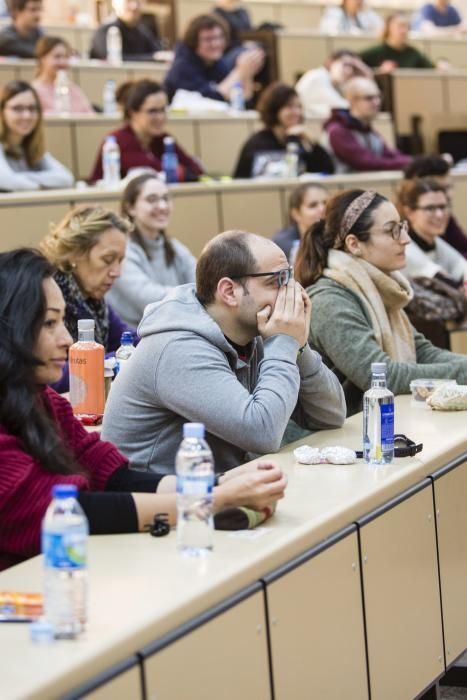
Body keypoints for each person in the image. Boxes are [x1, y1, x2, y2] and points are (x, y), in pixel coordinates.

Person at [0, 248, 287, 570]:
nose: (66, 338)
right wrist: (212, 500)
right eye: (49, 323)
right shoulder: (177, 347)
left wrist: (217, 485)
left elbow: (112, 477)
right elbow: (70, 513)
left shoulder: (41, 400)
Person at [102, 230, 346, 473]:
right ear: (229, 292)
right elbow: (262, 432)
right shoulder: (178, 348)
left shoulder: (256, 333)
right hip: (164, 504)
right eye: (276, 281)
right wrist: (284, 341)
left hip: (220, 493)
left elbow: (330, 415)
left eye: (289, 279)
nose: (291, 293)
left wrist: (300, 348)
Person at [294, 189, 467, 416]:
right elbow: (383, 377)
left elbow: (422, 352)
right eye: (392, 231)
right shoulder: (330, 300)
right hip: (325, 442)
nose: (405, 240)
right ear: (354, 244)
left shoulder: (381, 288)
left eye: (402, 227)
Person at [39, 206, 135, 392]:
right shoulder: (47, 296)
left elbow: (129, 341)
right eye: (108, 260)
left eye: (120, 261)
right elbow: (51, 377)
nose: (117, 272)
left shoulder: (93, 301)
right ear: (76, 253)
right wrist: (121, 359)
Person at [107, 173, 196, 326]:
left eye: (165, 198)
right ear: (130, 208)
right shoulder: (123, 250)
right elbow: (148, 299)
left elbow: (202, 279)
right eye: (152, 200)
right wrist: (196, 294)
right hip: (134, 339)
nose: (162, 206)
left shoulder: (174, 247)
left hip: (173, 328)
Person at [89, 80, 203, 183]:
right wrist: (180, 172)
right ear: (133, 113)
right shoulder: (119, 141)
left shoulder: (163, 138)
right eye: (152, 111)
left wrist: (182, 172)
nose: (160, 117)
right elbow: (153, 172)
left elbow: (196, 170)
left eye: (163, 110)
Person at [233, 82, 334, 179]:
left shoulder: (301, 140)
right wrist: (291, 141)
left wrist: (313, 143)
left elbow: (328, 170)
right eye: (290, 106)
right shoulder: (258, 143)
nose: (297, 112)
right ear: (275, 109)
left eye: (299, 107)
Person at [164, 14, 264, 104]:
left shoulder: (217, 64)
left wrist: (247, 74)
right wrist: (239, 72)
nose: (215, 44)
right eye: (208, 39)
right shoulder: (182, 67)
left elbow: (242, 102)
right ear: (194, 42)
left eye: (219, 37)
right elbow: (211, 100)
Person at [322, 77, 412, 173]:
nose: (377, 102)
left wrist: (416, 162)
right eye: (369, 98)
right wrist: (411, 164)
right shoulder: (338, 131)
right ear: (352, 100)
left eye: (379, 97)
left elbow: (389, 155)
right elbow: (366, 163)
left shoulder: (366, 129)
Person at [0, 80, 74, 192]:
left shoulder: (31, 147)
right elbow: (6, 181)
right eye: (18, 109)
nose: (27, 115)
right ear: (2, 112)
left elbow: (66, 178)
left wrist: (22, 178)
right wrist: (38, 185)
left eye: (32, 108)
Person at [396, 178, 467, 287]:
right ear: (409, 212)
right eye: (430, 208)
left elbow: (462, 268)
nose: (439, 214)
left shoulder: (434, 240)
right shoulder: (405, 248)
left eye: (443, 207)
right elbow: (445, 285)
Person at [403, 155, 467, 259]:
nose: (448, 195)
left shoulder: (442, 213)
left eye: (449, 187)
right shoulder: (402, 228)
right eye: (439, 188)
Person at [295, 49, 372, 120]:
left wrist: (366, 77)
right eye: (346, 65)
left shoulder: (338, 85)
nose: (349, 71)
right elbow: (347, 110)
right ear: (330, 62)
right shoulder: (317, 77)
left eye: (354, 68)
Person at [32, 36, 95, 115]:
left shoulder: (73, 89)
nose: (63, 62)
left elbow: (90, 115)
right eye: (57, 57)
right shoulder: (34, 92)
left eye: (66, 57)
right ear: (42, 59)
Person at [89, 0, 165, 62]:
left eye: (138, 1)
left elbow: (159, 54)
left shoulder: (143, 32)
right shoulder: (105, 31)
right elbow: (113, 60)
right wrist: (152, 58)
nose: (134, 6)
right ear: (115, 3)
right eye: (128, 1)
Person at [273, 183, 327, 263]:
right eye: (313, 205)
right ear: (296, 214)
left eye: (326, 203)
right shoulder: (282, 244)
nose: (322, 209)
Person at [360, 13, 434, 71]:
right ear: (388, 28)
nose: (404, 31)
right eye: (400, 26)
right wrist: (378, 71)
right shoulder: (375, 52)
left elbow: (432, 69)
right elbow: (354, 65)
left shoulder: (413, 54)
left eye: (406, 27)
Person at [319, 0, 383, 34]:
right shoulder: (334, 13)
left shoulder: (365, 15)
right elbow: (330, 33)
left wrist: (367, 11)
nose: (358, 2)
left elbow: (380, 29)